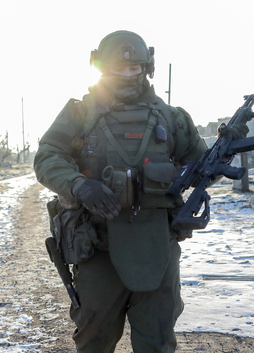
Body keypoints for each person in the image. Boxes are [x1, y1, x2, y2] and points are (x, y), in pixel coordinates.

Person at [34, 30, 248, 352]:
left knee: (157, 340)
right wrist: (80, 184)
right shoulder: (80, 113)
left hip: (157, 248)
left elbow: (200, 169)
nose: (127, 75)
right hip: (98, 246)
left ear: (146, 68)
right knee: (94, 340)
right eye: (119, 69)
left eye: (135, 69)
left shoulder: (172, 118)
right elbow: (47, 156)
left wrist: (224, 150)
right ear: (102, 69)